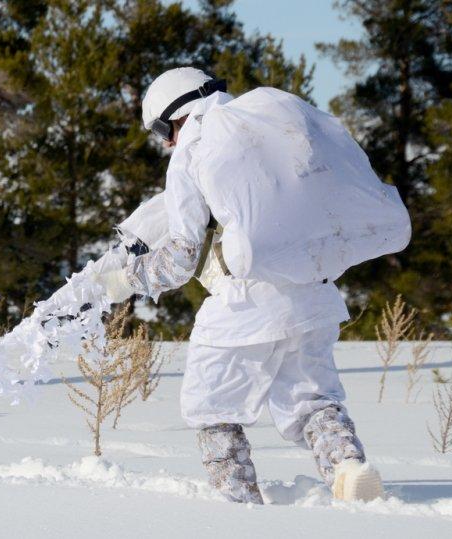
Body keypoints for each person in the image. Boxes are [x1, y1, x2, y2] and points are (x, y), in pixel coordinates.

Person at [91, 67, 388, 504]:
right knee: (314, 401)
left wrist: (124, 280)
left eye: (160, 129)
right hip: (315, 296)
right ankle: (347, 469)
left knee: (210, 406)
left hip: (245, 304)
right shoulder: (270, 127)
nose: (165, 141)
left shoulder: (195, 147)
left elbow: (180, 258)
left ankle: (236, 503)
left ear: (177, 113)